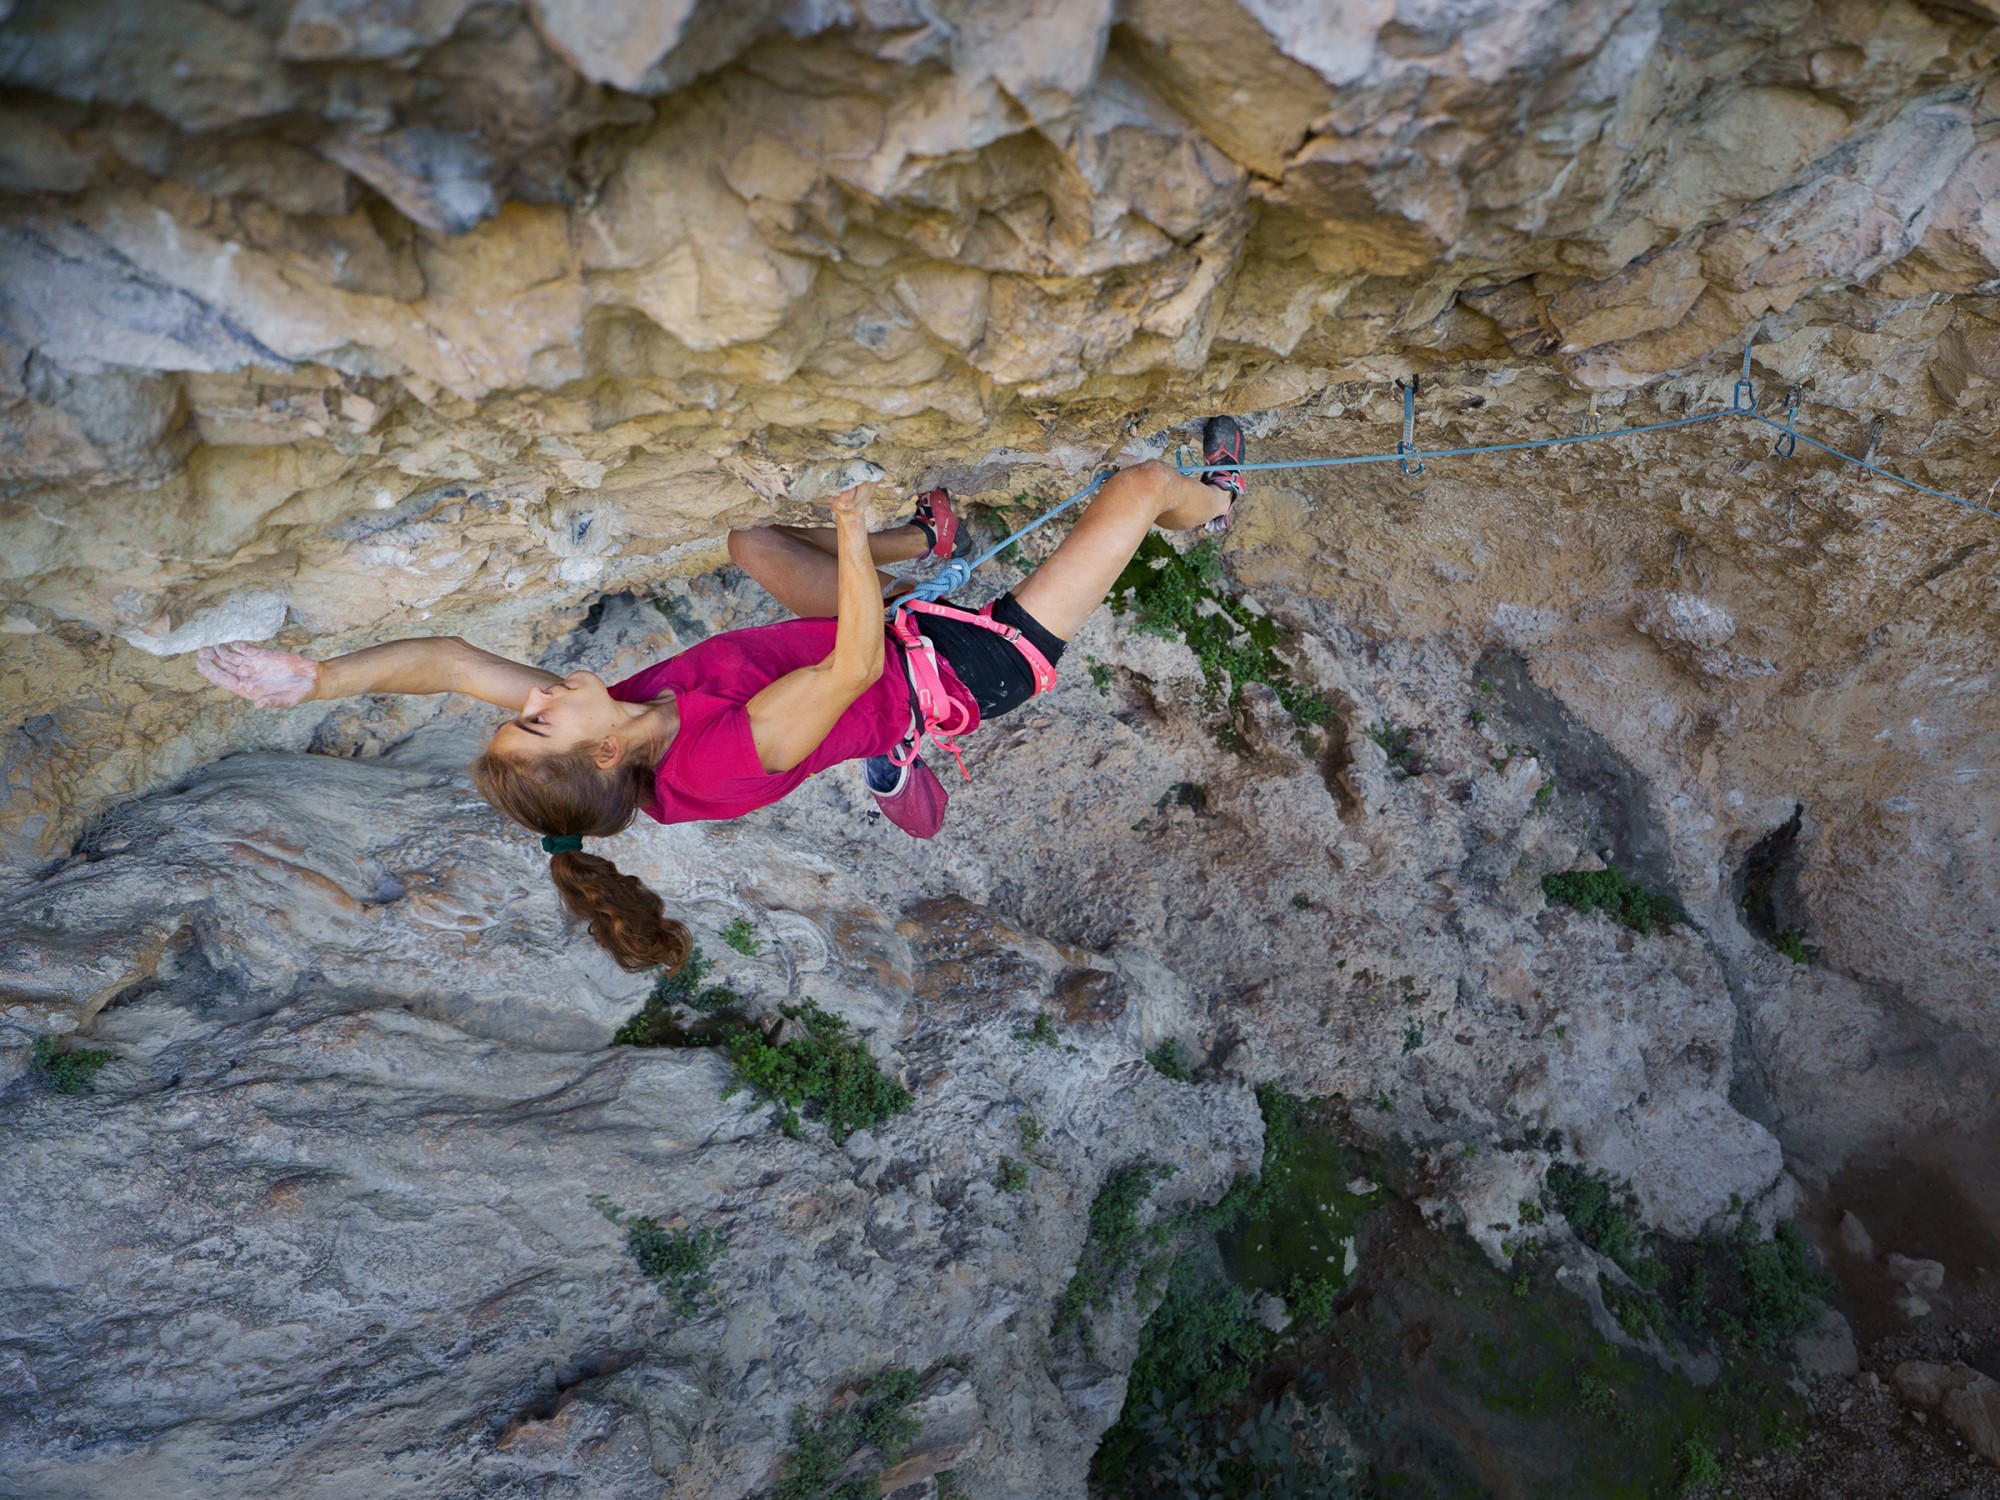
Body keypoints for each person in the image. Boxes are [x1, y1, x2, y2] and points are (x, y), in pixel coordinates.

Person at [197, 418, 1249, 973]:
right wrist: (847, 533)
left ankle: (933, 540)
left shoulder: (604, 718)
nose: (519, 703)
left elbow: (455, 662)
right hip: (947, 672)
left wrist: (320, 676)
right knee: (1139, 488)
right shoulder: (710, 764)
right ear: (600, 757)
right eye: (529, 727)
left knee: (751, 544)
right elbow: (850, 668)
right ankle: (1214, 505)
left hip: (865, 636)